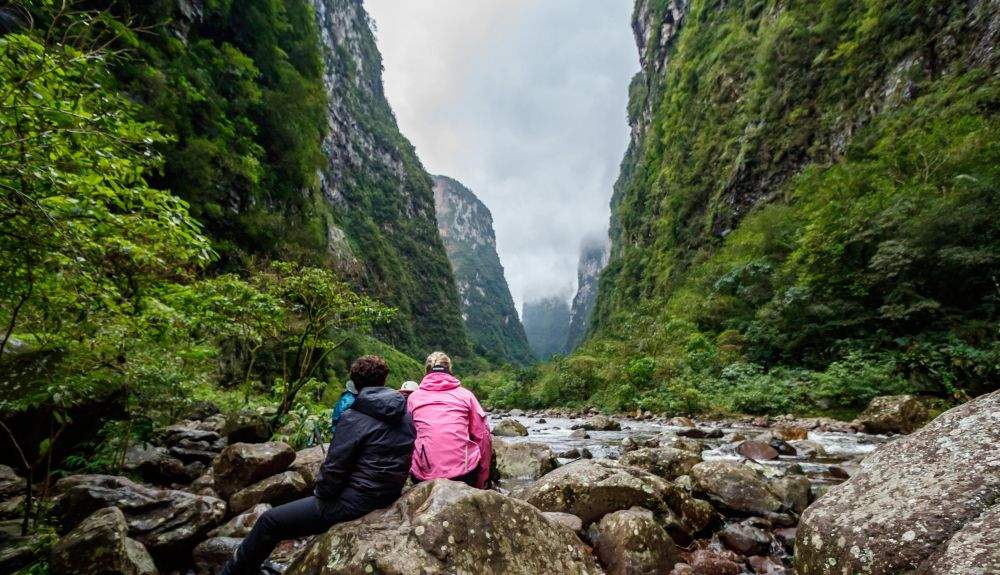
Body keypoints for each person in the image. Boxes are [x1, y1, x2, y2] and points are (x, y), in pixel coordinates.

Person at [221, 356, 415, 575]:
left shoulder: (353, 417)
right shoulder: (405, 414)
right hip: (388, 495)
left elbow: (333, 471)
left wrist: (321, 495)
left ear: (354, 383)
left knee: (269, 520)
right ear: (384, 380)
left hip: (356, 503)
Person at [407, 352, 492, 488]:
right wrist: (483, 478)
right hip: (464, 474)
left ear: (426, 371)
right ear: (450, 370)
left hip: (423, 476)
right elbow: (483, 437)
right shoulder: (466, 396)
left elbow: (406, 438)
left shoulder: (413, 398)